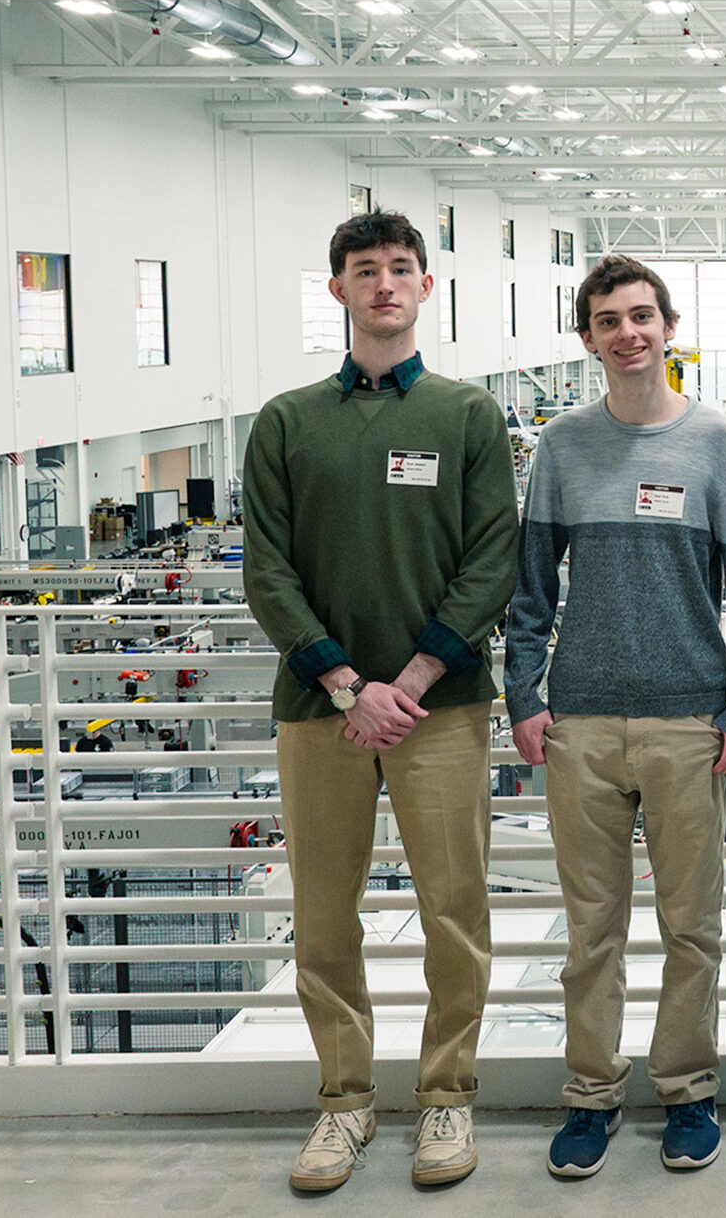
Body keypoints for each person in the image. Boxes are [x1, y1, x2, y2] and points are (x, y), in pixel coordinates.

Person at [242, 210, 520, 1192]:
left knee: (455, 910)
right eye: (367, 271)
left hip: (438, 709)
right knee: (324, 915)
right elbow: (266, 568)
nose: (386, 285)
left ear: (426, 287)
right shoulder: (284, 422)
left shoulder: (466, 415)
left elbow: (495, 558)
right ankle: (344, 1105)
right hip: (321, 710)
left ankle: (446, 1101)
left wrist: (408, 681)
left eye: (403, 269)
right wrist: (343, 679)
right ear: (339, 292)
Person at [503, 254, 726, 1178]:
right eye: (609, 319)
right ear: (588, 338)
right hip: (578, 725)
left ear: (669, 326)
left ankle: (688, 1090)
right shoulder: (564, 448)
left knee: (693, 926)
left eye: (642, 315)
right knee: (592, 930)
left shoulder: (716, 445)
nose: (629, 333)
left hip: (690, 725)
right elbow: (530, 587)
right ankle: (590, 1095)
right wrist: (525, 698)